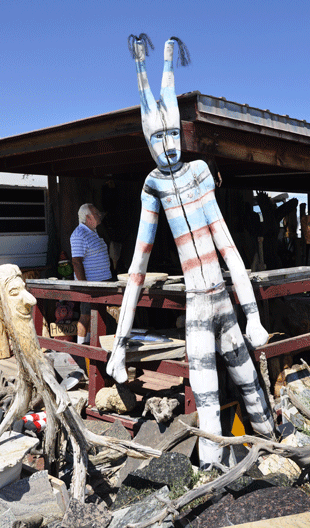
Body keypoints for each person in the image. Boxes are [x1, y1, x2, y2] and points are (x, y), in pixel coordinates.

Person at [106, 35, 274, 468]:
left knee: (247, 378)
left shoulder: (199, 173)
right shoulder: (153, 186)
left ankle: (274, 447)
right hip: (198, 307)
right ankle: (213, 470)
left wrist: (252, 316)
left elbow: (228, 247)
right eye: (158, 137)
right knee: (206, 393)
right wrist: (120, 345)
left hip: (220, 294)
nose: (168, 144)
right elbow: (137, 270)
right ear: (148, 143)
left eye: (173, 133)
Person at [70, 203, 112, 344]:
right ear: (88, 217)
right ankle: (81, 347)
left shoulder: (92, 231)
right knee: (86, 315)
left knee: (94, 315)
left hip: (100, 282)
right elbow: (76, 262)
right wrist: (84, 286)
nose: (99, 215)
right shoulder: (79, 234)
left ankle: (88, 345)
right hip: (90, 284)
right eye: (96, 213)